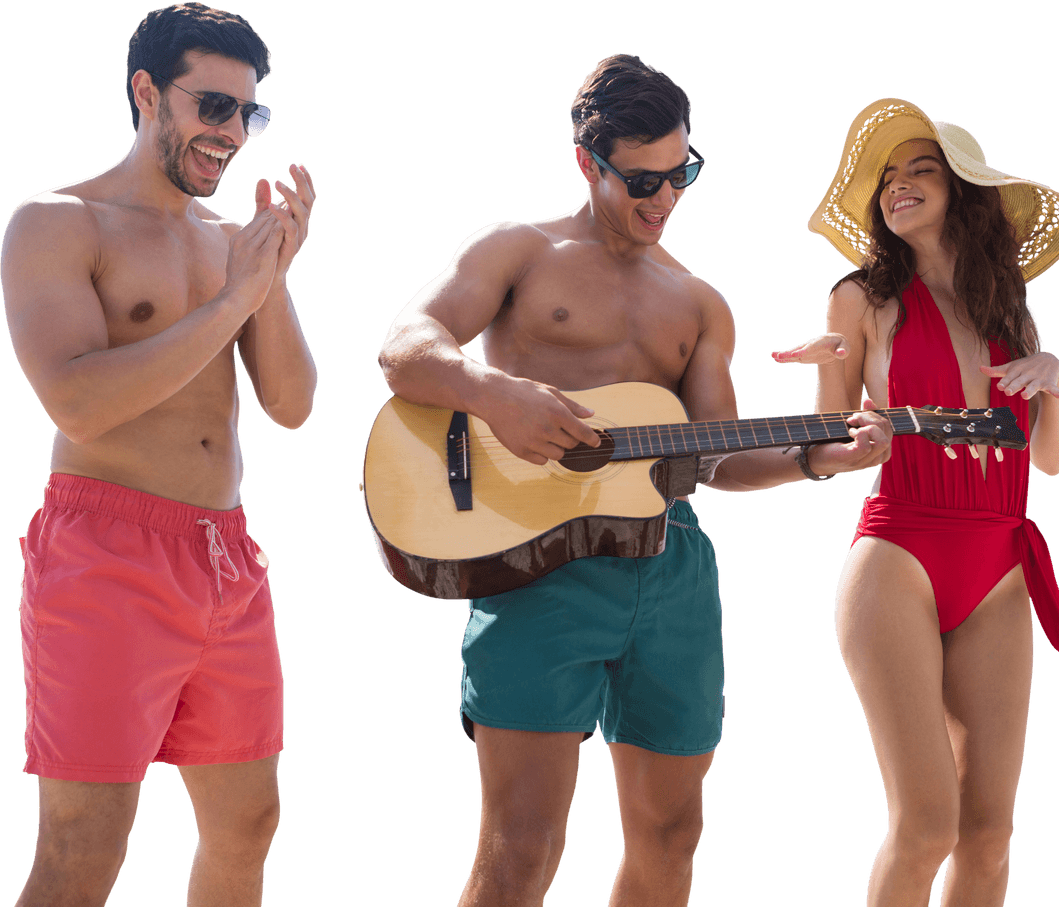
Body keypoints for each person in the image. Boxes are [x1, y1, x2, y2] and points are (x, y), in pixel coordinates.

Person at [378, 54, 891, 907]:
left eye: (682, 173)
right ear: (588, 161)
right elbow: (406, 343)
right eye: (642, 178)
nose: (664, 197)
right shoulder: (517, 249)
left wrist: (814, 457)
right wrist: (490, 390)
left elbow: (715, 454)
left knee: (671, 835)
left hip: (672, 569)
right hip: (535, 567)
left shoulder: (699, 303)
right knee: (521, 850)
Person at [0, 3, 317, 904]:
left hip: (225, 554)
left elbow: (291, 406)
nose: (231, 134)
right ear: (147, 93)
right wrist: (227, 306)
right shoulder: (58, 222)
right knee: (84, 845)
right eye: (212, 107)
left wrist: (272, 277)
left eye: (249, 116)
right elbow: (79, 402)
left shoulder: (231, 244)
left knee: (249, 822)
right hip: (105, 551)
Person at [773, 98, 1059, 906]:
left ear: (963, 190)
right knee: (926, 826)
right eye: (888, 179)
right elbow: (830, 442)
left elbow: (1047, 460)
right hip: (898, 553)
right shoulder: (858, 298)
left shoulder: (1009, 304)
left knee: (989, 838)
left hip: (1000, 565)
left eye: (922, 171)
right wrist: (832, 386)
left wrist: (1057, 382)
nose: (899, 187)